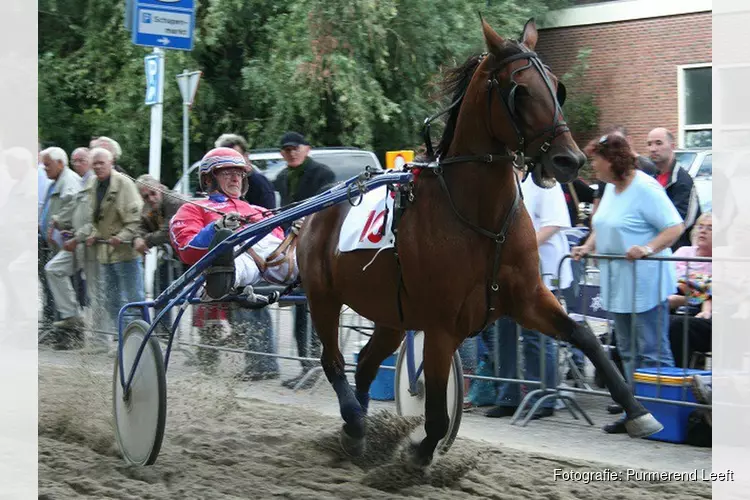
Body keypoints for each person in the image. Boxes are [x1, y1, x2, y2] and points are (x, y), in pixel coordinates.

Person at [572, 132, 684, 434]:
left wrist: (647, 248)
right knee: (627, 351)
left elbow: (675, 226)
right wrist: (588, 245)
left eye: (596, 159)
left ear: (612, 160)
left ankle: (665, 417)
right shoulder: (611, 187)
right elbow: (603, 223)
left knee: (652, 352)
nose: (593, 166)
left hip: (645, 283)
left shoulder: (645, 188)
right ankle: (635, 413)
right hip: (618, 283)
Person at [169, 148, 295, 374]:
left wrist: (300, 234)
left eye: (239, 173)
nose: (236, 178)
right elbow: (186, 249)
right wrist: (216, 228)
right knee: (230, 245)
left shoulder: (259, 211)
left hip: (274, 262)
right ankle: (225, 277)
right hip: (237, 260)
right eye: (227, 173)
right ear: (209, 179)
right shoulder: (193, 208)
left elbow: (278, 242)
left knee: (303, 243)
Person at [483, 166, 572, 419]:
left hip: (539, 272)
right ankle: (508, 396)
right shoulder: (500, 185)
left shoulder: (544, 183)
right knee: (504, 334)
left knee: (536, 336)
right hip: (508, 272)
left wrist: (518, 246)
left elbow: (553, 224)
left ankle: (544, 396)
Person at [214, 134, 280, 380]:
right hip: (242, 257)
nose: (233, 173)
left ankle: (264, 365)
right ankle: (257, 363)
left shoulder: (258, 184)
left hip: (259, 255)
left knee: (254, 306)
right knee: (244, 306)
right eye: (226, 165)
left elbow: (271, 222)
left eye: (237, 162)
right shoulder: (226, 192)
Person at [273, 132, 335, 389]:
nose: (291, 153)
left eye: (295, 148)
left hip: (317, 247)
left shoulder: (323, 174)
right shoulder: (281, 178)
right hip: (292, 247)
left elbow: (327, 204)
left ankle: (324, 364)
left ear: (307, 148)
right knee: (302, 310)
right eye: (286, 150)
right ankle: (307, 366)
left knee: (317, 310)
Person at [83, 147, 145, 338]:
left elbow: (136, 218)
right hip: (105, 253)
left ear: (111, 163)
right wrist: (94, 233)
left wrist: (123, 236)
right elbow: (95, 218)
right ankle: (122, 337)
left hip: (125, 252)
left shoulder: (124, 183)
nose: (98, 166)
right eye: (95, 163)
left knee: (134, 298)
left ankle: (141, 337)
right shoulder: (93, 184)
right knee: (111, 299)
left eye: (102, 162)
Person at [39, 147, 84, 348]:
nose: (44, 168)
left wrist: (56, 222)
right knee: (55, 276)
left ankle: (73, 322)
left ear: (60, 163)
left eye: (47, 164)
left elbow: (73, 208)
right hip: (62, 243)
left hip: (73, 242)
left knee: (55, 272)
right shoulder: (57, 181)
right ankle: (68, 330)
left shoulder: (70, 181)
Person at [133, 174, 187, 333]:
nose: (150, 198)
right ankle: (162, 328)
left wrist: (146, 240)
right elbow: (140, 226)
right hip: (177, 255)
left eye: (153, 193)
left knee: (201, 294)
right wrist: (137, 238)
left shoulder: (174, 201)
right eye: (145, 196)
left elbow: (168, 231)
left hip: (194, 253)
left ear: (160, 188)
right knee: (160, 285)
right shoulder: (148, 206)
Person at [668, 212, 712, 368]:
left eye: (710, 228)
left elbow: (712, 290)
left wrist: (686, 297)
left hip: (699, 308)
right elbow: (671, 276)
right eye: (700, 226)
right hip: (673, 296)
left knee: (677, 325)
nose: (703, 231)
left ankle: (676, 375)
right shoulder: (684, 251)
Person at [646, 127, 701, 250]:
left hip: (678, 254)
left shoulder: (683, 181)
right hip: (655, 249)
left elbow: (683, 222)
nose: (653, 149)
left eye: (658, 143)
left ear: (672, 146)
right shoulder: (649, 179)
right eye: (649, 144)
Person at [591, 125, 657, 218]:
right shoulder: (607, 175)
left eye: (616, 142)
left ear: (629, 140)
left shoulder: (645, 168)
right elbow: (599, 197)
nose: (613, 149)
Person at [214, 133, 276, 210]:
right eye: (226, 159)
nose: (232, 164)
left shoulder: (259, 184)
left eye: (236, 157)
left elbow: (269, 217)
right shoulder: (219, 185)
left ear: (246, 156)